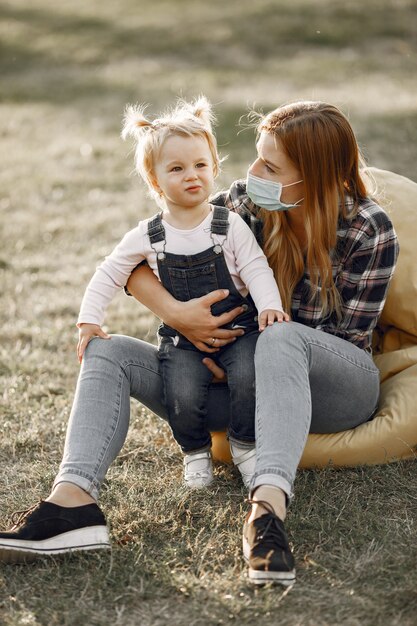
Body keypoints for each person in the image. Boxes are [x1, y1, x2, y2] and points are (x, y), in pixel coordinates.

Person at [0, 101, 398, 589]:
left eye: (270, 166)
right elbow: (137, 263)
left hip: (333, 393)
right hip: (234, 385)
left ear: (314, 176)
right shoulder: (246, 203)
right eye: (257, 157)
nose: (252, 172)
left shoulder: (367, 228)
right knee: (109, 352)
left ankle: (266, 513)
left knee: (280, 336)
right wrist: (178, 318)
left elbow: (344, 340)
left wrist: (246, 356)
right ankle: (70, 505)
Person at [76, 96, 287, 490]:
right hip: (183, 340)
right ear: (155, 181)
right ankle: (194, 451)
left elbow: (257, 267)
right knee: (182, 393)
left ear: (214, 168)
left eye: (200, 165)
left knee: (250, 375)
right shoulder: (148, 235)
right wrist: (90, 319)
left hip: (240, 328)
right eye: (177, 168)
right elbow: (110, 273)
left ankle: (244, 444)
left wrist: (269, 307)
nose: (192, 175)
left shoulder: (230, 225)